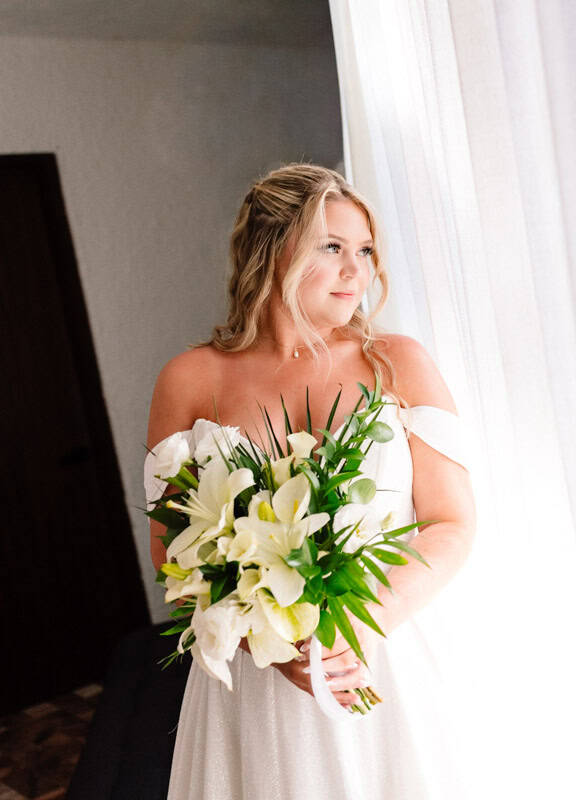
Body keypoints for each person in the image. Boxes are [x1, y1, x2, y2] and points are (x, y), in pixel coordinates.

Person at [143, 163, 476, 799]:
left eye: (366, 250)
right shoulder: (189, 378)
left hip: (386, 656)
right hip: (255, 690)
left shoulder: (397, 361)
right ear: (272, 253)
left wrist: (359, 628)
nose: (359, 271)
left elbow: (452, 522)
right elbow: (172, 558)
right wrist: (269, 643)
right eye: (333, 247)